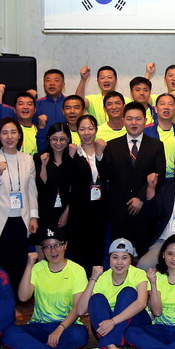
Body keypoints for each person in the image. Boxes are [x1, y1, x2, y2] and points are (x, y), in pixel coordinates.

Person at [3, 226, 88, 349]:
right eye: (47, 246)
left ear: (65, 245)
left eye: (57, 245)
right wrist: (29, 265)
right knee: (9, 333)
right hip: (39, 326)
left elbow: (77, 308)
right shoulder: (37, 268)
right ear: (42, 249)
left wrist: (60, 329)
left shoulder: (77, 270)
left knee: (80, 335)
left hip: (67, 326)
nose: (53, 251)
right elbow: (23, 297)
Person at [75, 237, 150, 349]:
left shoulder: (138, 274)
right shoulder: (103, 277)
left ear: (131, 260)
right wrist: (93, 278)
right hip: (107, 329)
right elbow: (80, 310)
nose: (119, 262)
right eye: (115, 257)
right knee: (96, 298)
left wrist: (113, 321)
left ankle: (105, 347)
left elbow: (141, 303)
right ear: (109, 259)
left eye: (124, 258)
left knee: (128, 292)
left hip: (132, 325)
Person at [98, 102, 166, 248]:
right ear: (123, 120)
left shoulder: (156, 145)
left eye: (138, 119)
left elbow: (159, 174)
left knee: (144, 252)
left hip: (145, 210)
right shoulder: (112, 146)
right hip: (119, 210)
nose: (134, 123)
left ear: (145, 120)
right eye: (129, 119)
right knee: (120, 253)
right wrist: (99, 156)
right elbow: (105, 175)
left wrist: (141, 198)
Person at [0, 117, 40, 294]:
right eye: (5, 133)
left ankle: (17, 297)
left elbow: (31, 190)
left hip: (21, 219)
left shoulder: (27, 159)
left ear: (19, 135)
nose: (9, 137)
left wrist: (34, 216)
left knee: (18, 262)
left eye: (13, 132)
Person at [67, 114, 108, 271]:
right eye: (82, 129)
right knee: (79, 250)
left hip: (100, 209)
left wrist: (100, 155)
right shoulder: (74, 153)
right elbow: (67, 179)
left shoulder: (104, 150)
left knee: (98, 249)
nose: (86, 133)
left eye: (90, 128)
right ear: (77, 131)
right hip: (79, 210)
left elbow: (110, 175)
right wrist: (70, 157)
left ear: (96, 130)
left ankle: (95, 280)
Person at [144, 93, 175, 179]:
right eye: (162, 104)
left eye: (170, 104)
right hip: (154, 179)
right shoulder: (146, 132)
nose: (166, 107)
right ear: (156, 109)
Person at [36, 123, 73, 232]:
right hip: (44, 211)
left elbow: (76, 189)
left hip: (67, 212)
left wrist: (67, 211)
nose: (58, 143)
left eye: (62, 139)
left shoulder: (72, 158)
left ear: (68, 139)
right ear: (49, 139)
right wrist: (43, 166)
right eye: (54, 139)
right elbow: (41, 185)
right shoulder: (39, 158)